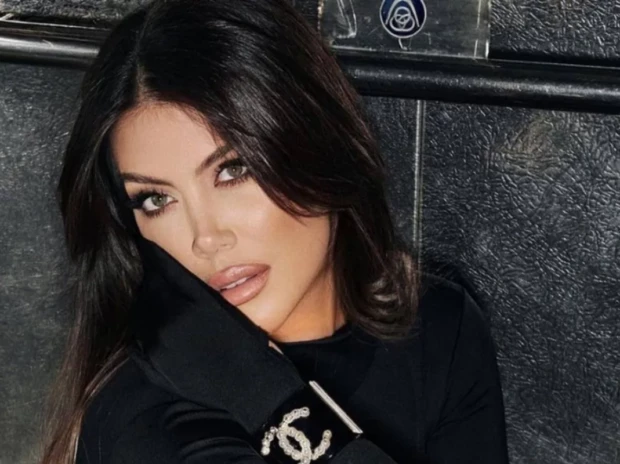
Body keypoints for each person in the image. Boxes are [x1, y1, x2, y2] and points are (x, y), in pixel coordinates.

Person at [38, 0, 509, 463]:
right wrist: (260, 396)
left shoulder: (437, 328)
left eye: (233, 170)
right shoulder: (142, 416)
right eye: (156, 200)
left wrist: (257, 391)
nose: (206, 238)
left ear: (320, 143)